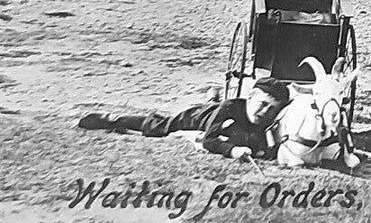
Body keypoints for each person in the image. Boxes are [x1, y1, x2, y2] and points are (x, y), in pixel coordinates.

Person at [77, 78, 290, 161]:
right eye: (262, 104)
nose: (264, 112)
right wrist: (232, 150)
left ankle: (212, 97)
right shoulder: (231, 107)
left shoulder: (265, 122)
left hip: (217, 114)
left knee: (215, 108)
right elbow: (209, 140)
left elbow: (265, 147)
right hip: (197, 118)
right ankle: (112, 120)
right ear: (250, 96)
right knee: (161, 126)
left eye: (271, 109)